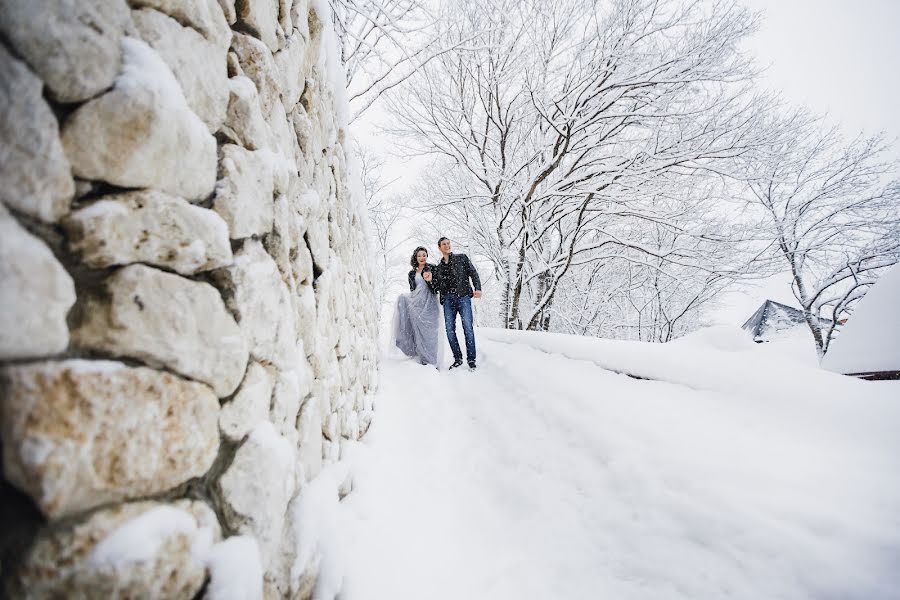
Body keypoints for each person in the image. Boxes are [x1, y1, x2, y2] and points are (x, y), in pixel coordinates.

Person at [433, 237, 481, 370]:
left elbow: (473, 273)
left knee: (468, 328)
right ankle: (458, 358)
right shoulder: (438, 268)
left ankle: (471, 360)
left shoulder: (462, 258)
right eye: (444, 244)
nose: (447, 246)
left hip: (463, 297)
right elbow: (436, 286)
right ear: (439, 248)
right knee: (449, 330)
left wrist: (477, 288)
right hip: (448, 300)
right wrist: (430, 279)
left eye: (448, 243)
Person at [392, 246, 442, 367]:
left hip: (430, 303)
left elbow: (437, 288)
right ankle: (421, 355)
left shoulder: (432, 268)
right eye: (419, 255)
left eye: (424, 255)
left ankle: (431, 360)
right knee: (419, 329)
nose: (422, 257)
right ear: (416, 257)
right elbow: (413, 290)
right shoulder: (412, 273)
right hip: (418, 304)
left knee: (430, 332)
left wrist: (430, 280)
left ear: (427, 256)